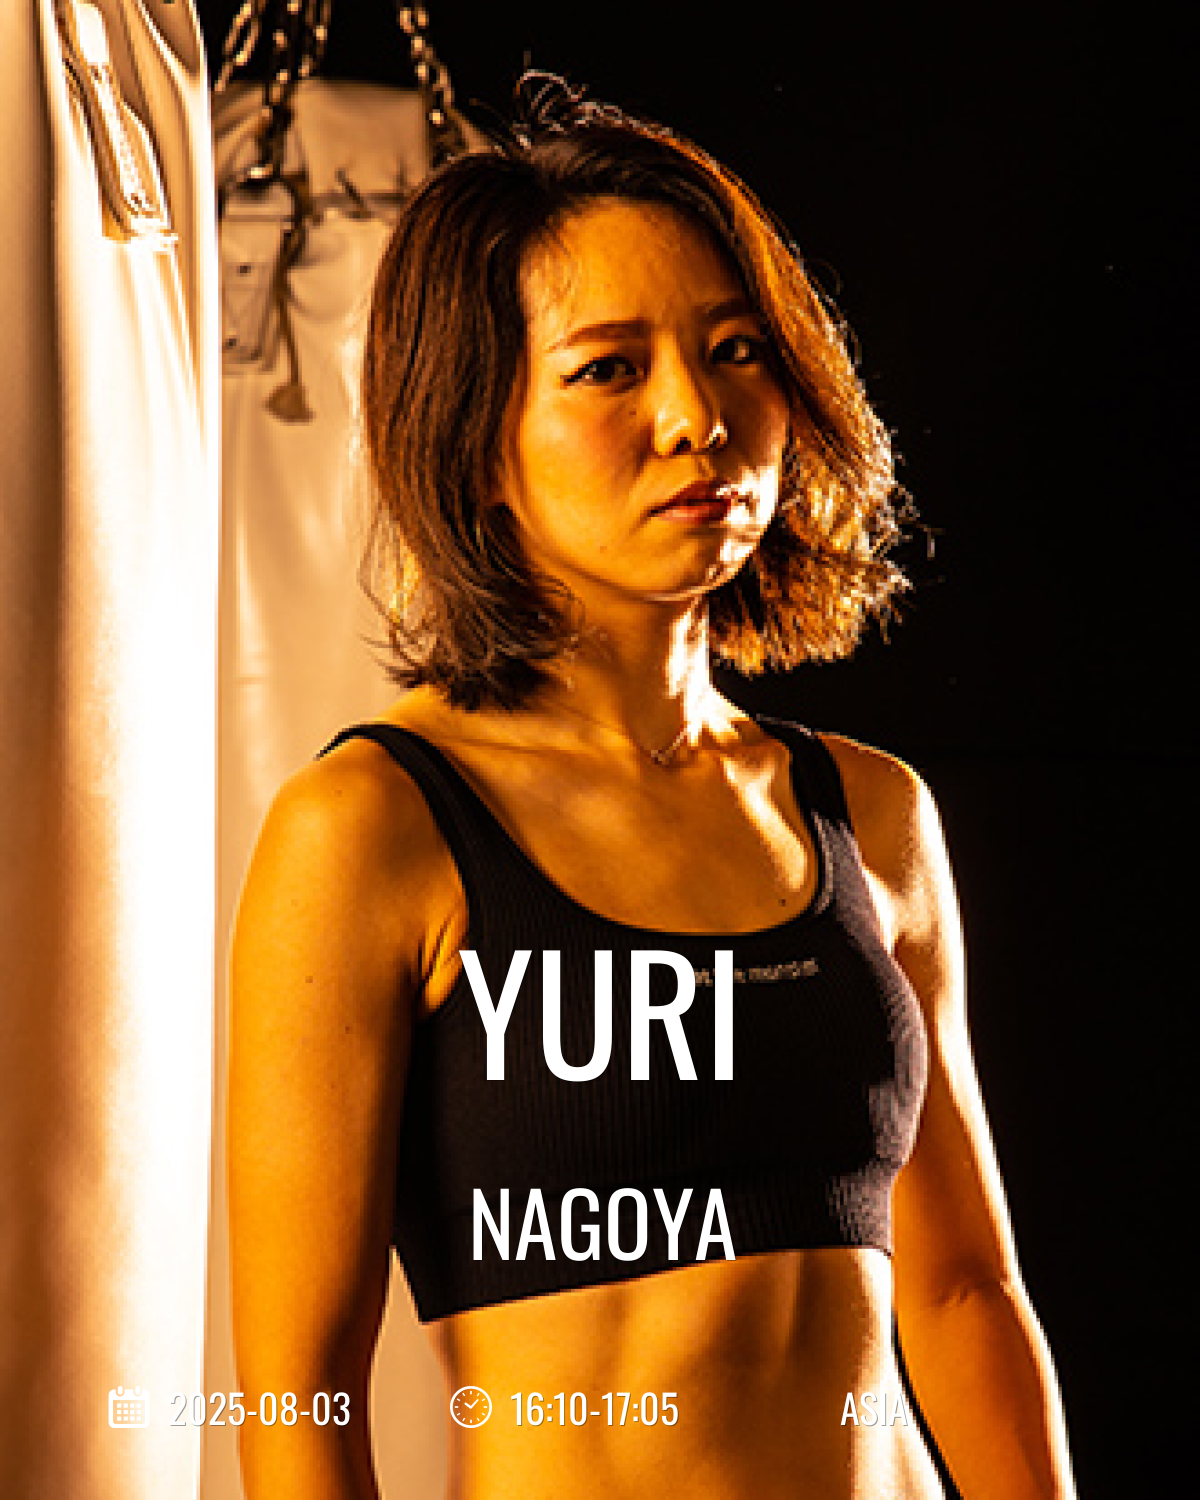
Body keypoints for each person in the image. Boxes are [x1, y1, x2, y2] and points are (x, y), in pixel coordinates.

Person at [227, 73, 1078, 1500]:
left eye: (735, 350)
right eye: (608, 370)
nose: (697, 417)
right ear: (477, 438)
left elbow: (963, 1295)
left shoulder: (869, 814)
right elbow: (297, 1390)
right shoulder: (374, 828)